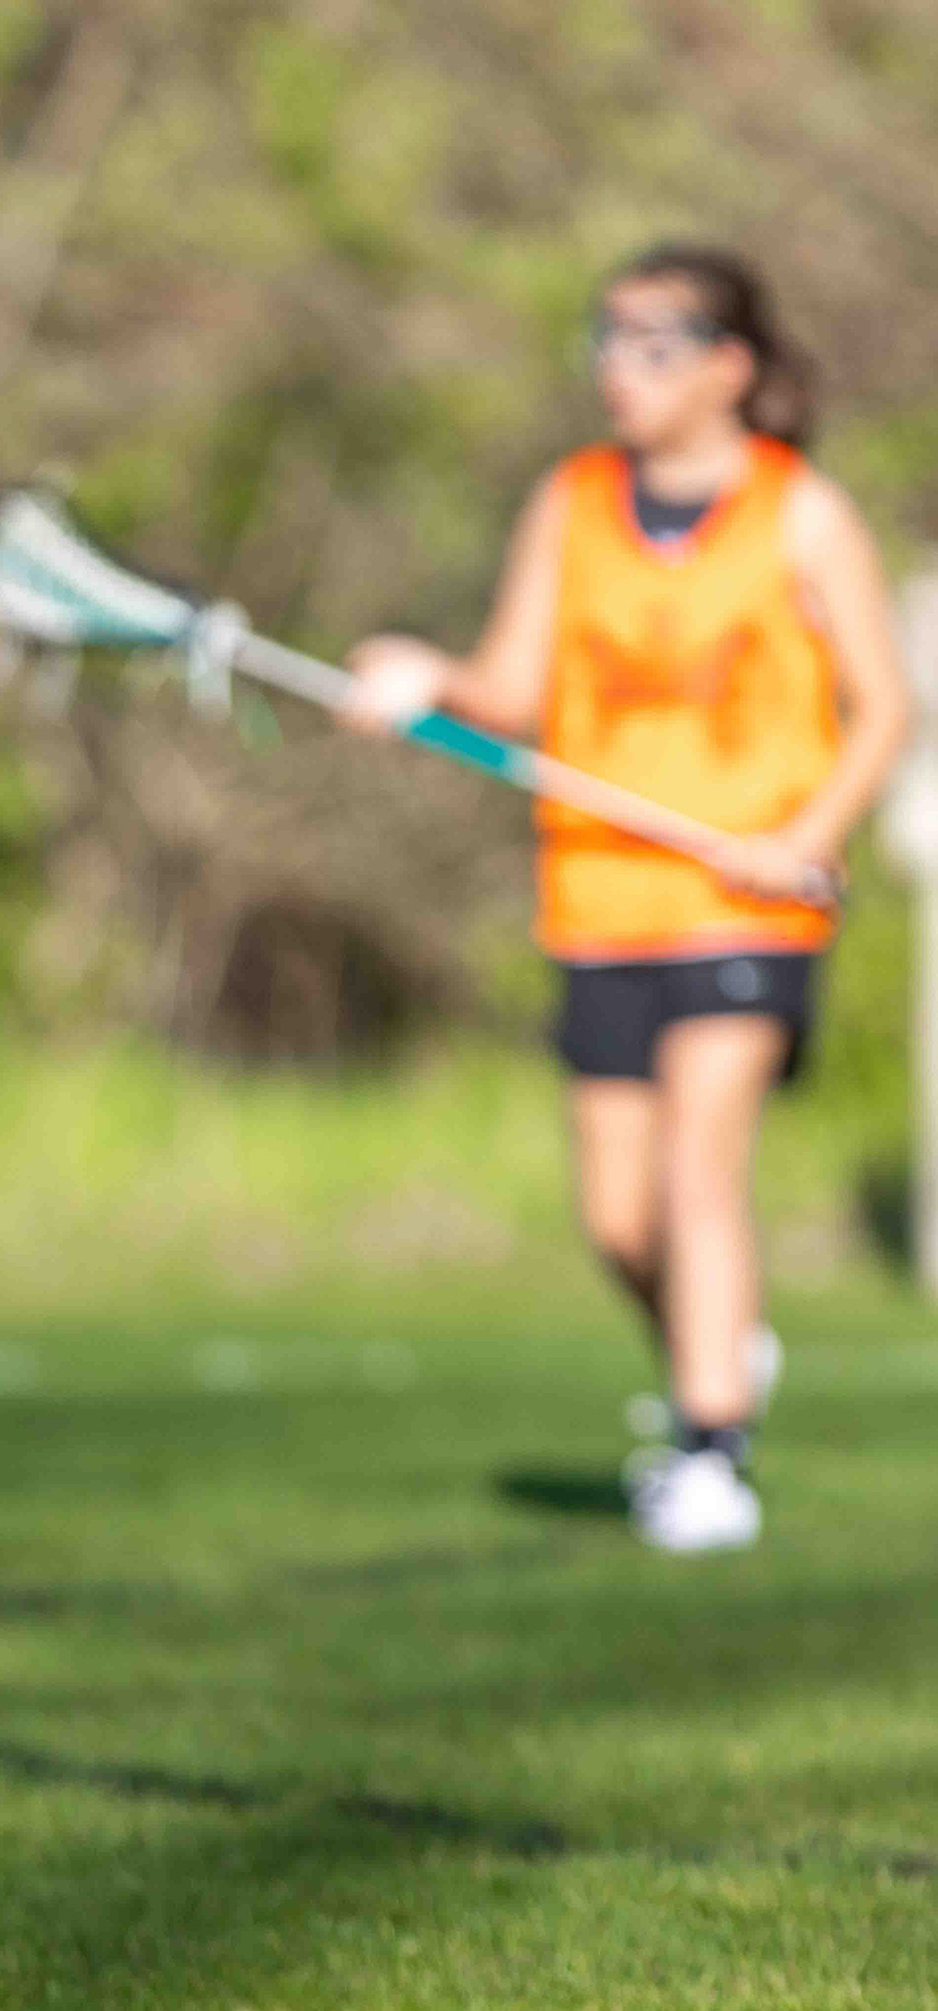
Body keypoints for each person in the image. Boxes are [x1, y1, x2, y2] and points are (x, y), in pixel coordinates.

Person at [346, 246, 909, 1554]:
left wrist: (807, 836)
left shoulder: (802, 513)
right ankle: (719, 1347)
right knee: (618, 1216)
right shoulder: (574, 501)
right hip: (600, 897)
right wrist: (425, 680)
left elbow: (883, 707)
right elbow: (508, 687)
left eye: (657, 343)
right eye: (607, 338)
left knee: (699, 1171)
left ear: (733, 366)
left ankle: (710, 1451)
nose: (621, 367)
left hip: (745, 905)